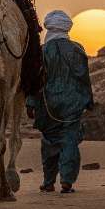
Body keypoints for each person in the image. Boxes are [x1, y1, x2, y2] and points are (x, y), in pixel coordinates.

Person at [26, 10, 94, 194]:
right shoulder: (77, 50)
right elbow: (83, 78)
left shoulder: (42, 52)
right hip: (73, 103)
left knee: (49, 142)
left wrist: (30, 103)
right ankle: (66, 180)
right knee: (70, 140)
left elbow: (35, 80)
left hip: (48, 104)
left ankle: (48, 182)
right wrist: (88, 102)